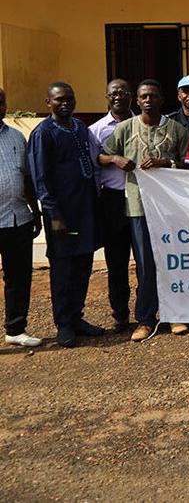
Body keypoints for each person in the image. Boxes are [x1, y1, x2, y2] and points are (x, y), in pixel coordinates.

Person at [101, 79, 189, 342]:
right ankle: (146, 318)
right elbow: (102, 156)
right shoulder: (125, 128)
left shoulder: (177, 130)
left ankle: (175, 314)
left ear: (162, 100)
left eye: (153, 96)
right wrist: (116, 158)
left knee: (173, 261)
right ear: (137, 101)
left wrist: (167, 162)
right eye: (143, 96)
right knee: (145, 263)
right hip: (137, 206)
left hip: (170, 208)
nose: (148, 100)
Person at [28, 82, 104, 348]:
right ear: (48, 102)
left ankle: (76, 317)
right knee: (63, 268)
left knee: (83, 264)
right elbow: (40, 177)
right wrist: (53, 214)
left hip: (84, 212)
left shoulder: (80, 127)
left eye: (69, 98)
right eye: (59, 99)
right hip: (62, 216)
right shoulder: (43, 133)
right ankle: (63, 324)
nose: (65, 103)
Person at [89, 79, 135, 333]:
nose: (118, 97)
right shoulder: (96, 129)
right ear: (107, 97)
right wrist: (113, 158)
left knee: (146, 259)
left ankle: (147, 312)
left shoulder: (142, 123)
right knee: (116, 262)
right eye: (113, 93)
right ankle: (120, 315)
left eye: (123, 92)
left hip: (141, 198)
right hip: (113, 199)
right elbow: (93, 159)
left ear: (131, 96)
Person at [0, 87, 44, 348]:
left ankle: (16, 329)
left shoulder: (17, 137)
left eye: (0, 102)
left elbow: (27, 178)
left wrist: (35, 212)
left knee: (18, 278)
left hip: (17, 218)